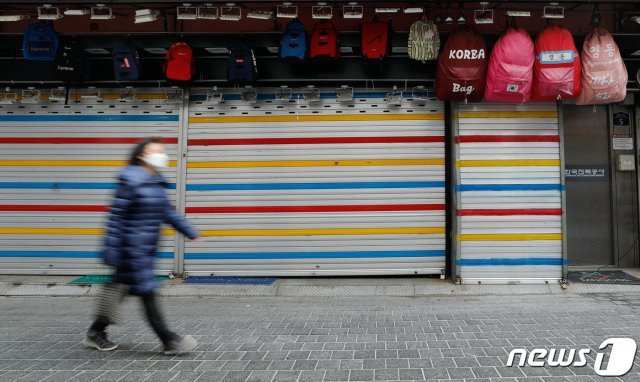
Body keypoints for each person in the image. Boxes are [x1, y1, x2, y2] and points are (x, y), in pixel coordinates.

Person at [84, 137, 203, 354]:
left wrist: (190, 231)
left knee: (119, 291)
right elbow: (117, 218)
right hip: (130, 249)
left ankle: (95, 332)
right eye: (156, 151)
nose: (162, 155)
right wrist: (112, 250)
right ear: (142, 155)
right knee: (147, 291)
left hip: (144, 249)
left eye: (163, 151)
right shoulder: (131, 181)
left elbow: (167, 212)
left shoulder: (155, 181)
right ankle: (169, 340)